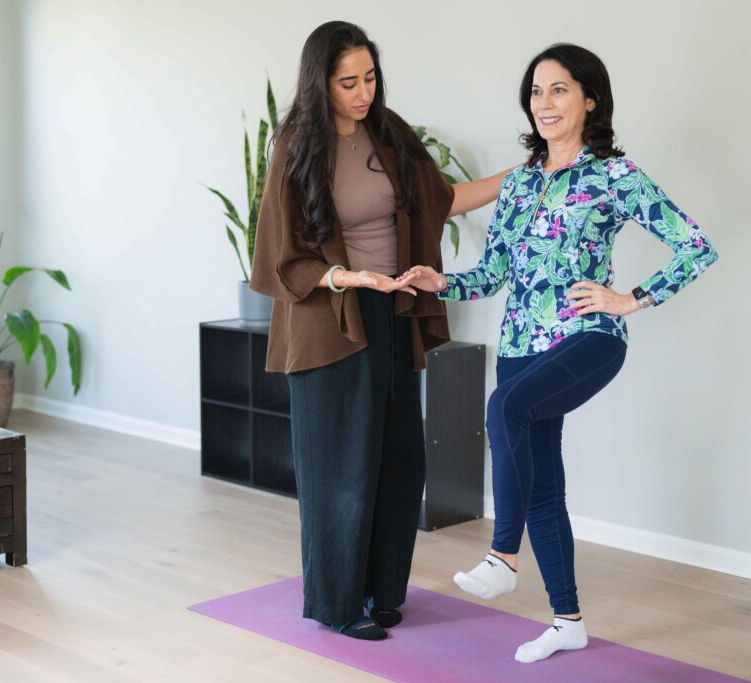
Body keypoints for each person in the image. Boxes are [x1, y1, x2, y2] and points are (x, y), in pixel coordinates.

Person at [407, 43, 718, 662]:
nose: (543, 103)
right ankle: (567, 620)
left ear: (590, 99)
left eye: (559, 89)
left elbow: (696, 246)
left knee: (504, 409)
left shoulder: (615, 176)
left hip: (586, 337)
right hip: (520, 345)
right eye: (535, 91)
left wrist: (630, 299)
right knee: (545, 485)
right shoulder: (519, 183)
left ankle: (503, 556)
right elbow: (495, 273)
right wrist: (441, 282)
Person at [249, 20, 509, 640]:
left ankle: (383, 593)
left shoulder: (387, 133)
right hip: (331, 321)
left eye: (370, 78)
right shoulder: (296, 148)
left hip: (395, 314)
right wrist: (348, 277)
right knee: (341, 468)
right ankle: (338, 604)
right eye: (349, 82)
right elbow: (280, 255)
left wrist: (525, 174)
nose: (363, 92)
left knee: (399, 462)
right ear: (320, 83)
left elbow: (442, 197)